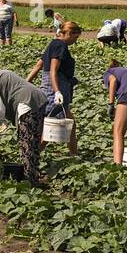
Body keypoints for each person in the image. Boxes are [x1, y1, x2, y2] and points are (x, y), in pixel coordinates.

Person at [26, 20, 81, 154]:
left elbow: (39, 65)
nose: (75, 41)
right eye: (75, 37)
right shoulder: (60, 45)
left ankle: (74, 155)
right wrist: (57, 92)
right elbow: (53, 70)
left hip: (53, 86)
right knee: (51, 127)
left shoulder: (53, 43)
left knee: (70, 123)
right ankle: (32, 156)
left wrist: (26, 82)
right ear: (67, 33)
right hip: (54, 88)